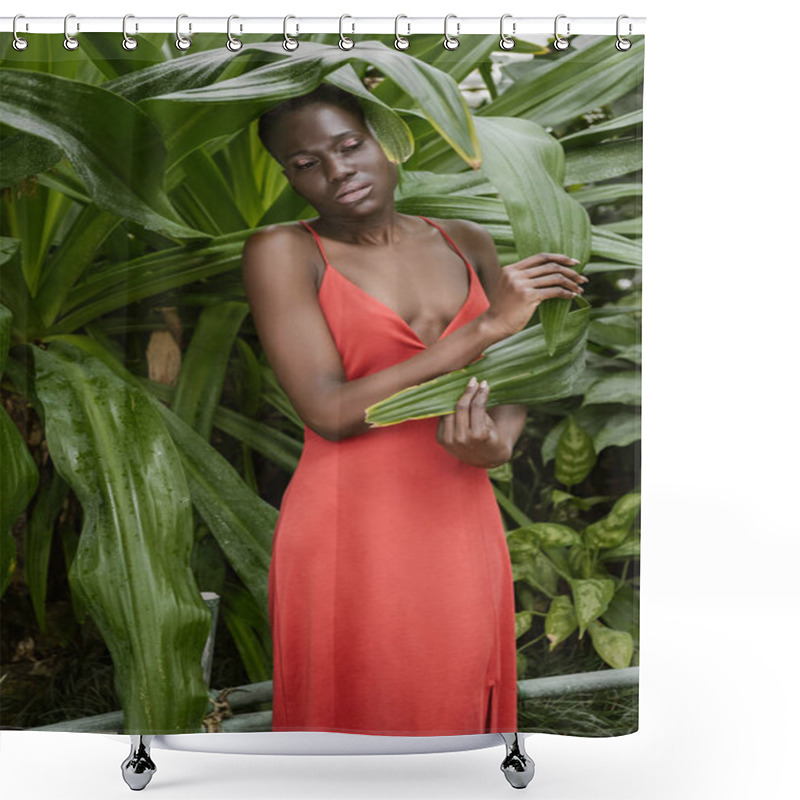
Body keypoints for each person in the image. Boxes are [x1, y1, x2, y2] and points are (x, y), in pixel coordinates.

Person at [242, 84, 586, 736]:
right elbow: (330, 410)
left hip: (460, 511)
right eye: (306, 162)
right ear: (289, 175)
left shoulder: (466, 241)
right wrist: (482, 330)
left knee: (456, 706)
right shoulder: (283, 251)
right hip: (348, 525)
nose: (336, 171)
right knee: (354, 720)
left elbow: (515, 381)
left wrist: (499, 444)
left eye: (350, 146)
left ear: (389, 142)